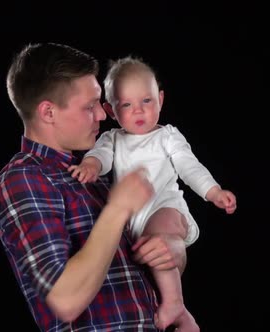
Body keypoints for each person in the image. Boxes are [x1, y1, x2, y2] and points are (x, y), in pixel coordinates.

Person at [0, 42, 188, 331]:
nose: (102, 115)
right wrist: (119, 208)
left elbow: (146, 263)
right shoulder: (22, 180)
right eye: (90, 106)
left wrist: (173, 249)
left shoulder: (93, 177)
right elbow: (65, 299)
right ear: (48, 112)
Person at [67, 56, 237, 331]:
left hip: (165, 206)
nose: (139, 112)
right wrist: (90, 165)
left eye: (146, 101)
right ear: (111, 110)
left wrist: (213, 191)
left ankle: (174, 302)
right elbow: (101, 157)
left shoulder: (167, 136)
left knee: (160, 239)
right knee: (147, 255)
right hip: (133, 218)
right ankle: (181, 316)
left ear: (160, 99)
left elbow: (188, 165)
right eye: (127, 105)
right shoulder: (111, 139)